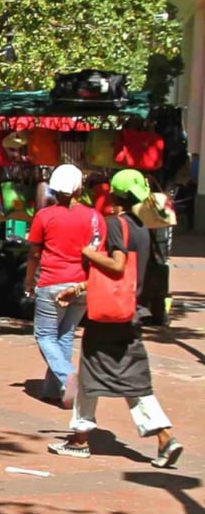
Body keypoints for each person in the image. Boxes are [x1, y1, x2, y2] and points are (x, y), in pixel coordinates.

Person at [48, 169, 184, 468]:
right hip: (129, 312)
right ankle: (164, 437)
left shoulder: (115, 224)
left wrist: (87, 252)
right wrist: (79, 288)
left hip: (107, 316)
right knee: (133, 379)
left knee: (89, 373)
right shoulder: (142, 227)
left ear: (113, 194)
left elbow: (117, 265)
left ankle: (81, 438)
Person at [23, 164, 93, 406]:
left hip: (52, 282)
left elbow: (34, 253)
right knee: (64, 335)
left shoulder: (44, 216)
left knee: (44, 335)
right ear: (78, 189)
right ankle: (55, 390)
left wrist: (29, 280)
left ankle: (67, 377)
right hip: (82, 284)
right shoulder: (94, 217)